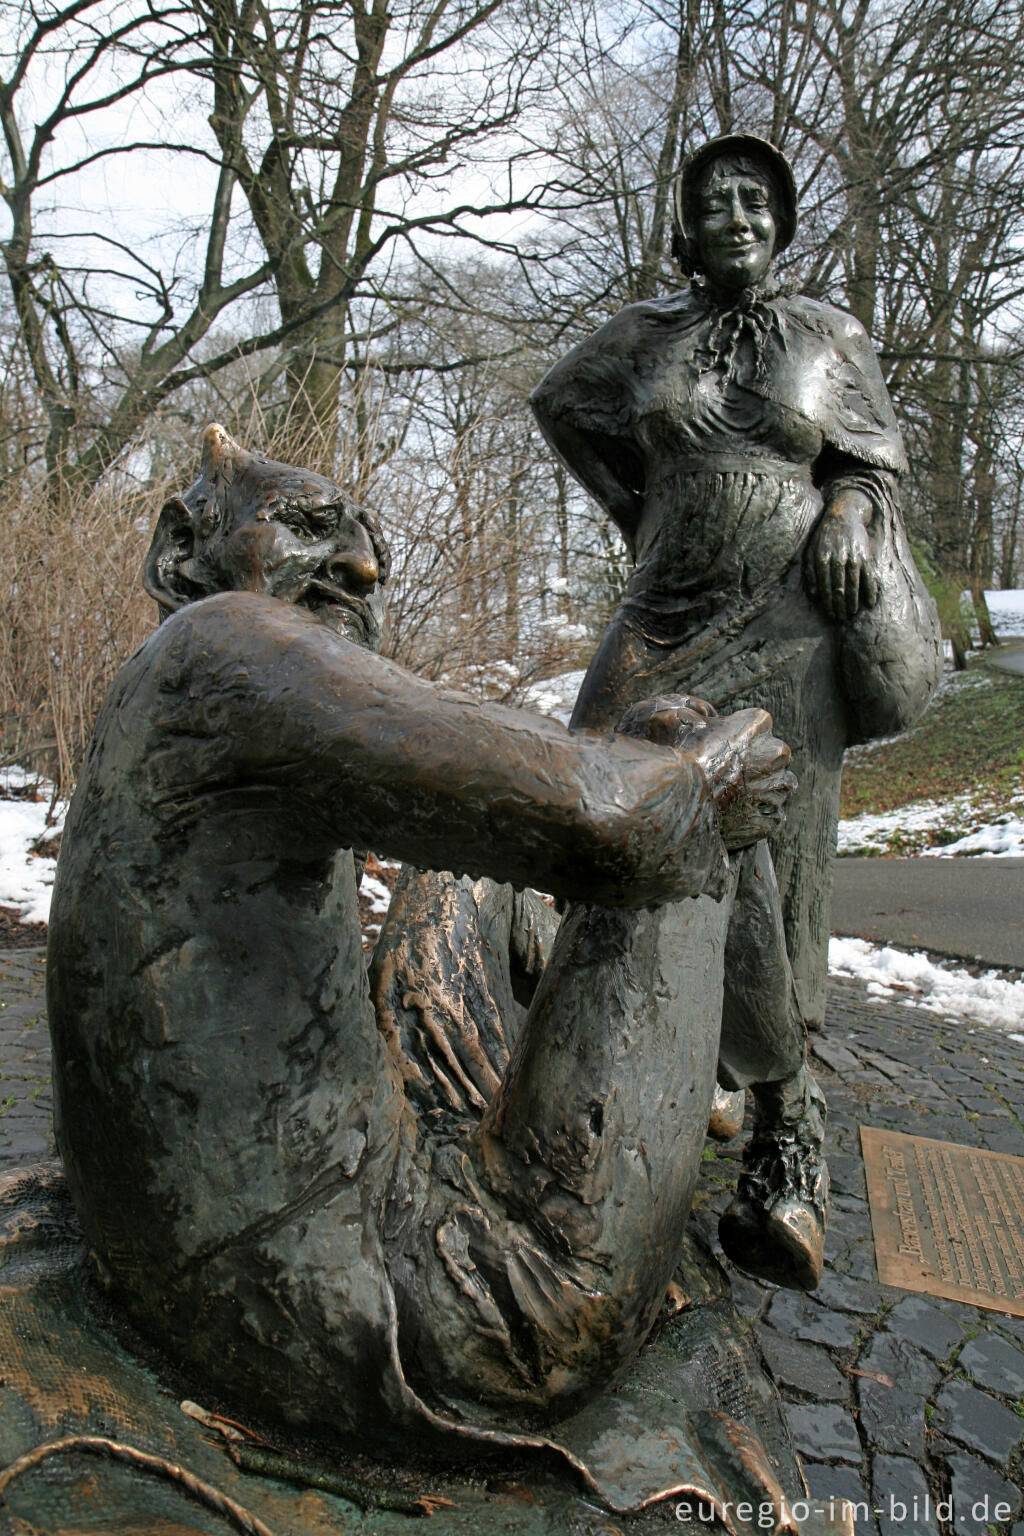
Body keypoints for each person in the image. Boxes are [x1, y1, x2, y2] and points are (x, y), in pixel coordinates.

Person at [46, 426, 803, 1504]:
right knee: (693, 769)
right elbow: (611, 824)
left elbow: (514, 802)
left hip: (239, 1249)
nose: (361, 567)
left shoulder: (175, 690)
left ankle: (682, 1062)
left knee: (456, 878)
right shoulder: (223, 646)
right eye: (310, 529)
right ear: (183, 557)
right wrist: (692, 778)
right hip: (422, 1321)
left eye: (371, 550)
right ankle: (783, 1108)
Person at [531, 134, 941, 1288]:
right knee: (601, 805)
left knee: (774, 853)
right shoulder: (645, 337)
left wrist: (852, 515)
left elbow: (872, 460)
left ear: (783, 218)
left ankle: (786, 1137)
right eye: (712, 199)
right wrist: (640, 508)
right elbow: (560, 404)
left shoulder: (830, 336)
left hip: (789, 621)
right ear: (685, 220)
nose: (734, 214)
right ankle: (626, 1067)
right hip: (663, 614)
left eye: (755, 198)